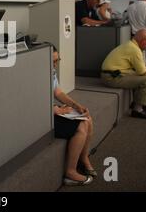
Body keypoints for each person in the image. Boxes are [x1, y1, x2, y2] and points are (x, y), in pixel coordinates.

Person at [101, 29, 146, 119]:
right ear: (143, 42)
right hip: (111, 78)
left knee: (142, 77)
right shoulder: (135, 50)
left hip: (112, 74)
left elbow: (140, 69)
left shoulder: (130, 45)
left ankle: (139, 102)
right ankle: (138, 110)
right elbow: (143, 72)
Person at [52, 47, 95, 186]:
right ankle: (70, 172)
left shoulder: (51, 71)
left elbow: (58, 93)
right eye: (52, 61)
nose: (55, 65)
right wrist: (54, 109)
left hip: (52, 110)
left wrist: (77, 105)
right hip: (41, 117)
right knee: (81, 126)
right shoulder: (34, 75)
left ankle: (83, 158)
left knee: (87, 118)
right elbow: (29, 101)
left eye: (57, 60)